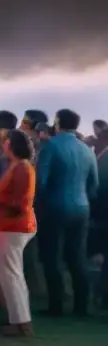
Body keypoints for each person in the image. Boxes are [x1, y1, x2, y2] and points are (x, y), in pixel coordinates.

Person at [36, 108, 99, 317]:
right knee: (77, 257)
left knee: (51, 257)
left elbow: (41, 183)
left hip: (55, 207)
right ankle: (81, 305)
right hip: (82, 208)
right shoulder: (86, 150)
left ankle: (56, 305)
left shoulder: (50, 146)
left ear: (57, 122)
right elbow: (93, 184)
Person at [0, 129, 37, 336]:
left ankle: (20, 322)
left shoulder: (21, 167)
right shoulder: (20, 166)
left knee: (10, 275)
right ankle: (20, 320)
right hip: (14, 226)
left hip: (14, 226)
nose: (3, 144)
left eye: (5, 142)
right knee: (13, 274)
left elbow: (18, 202)